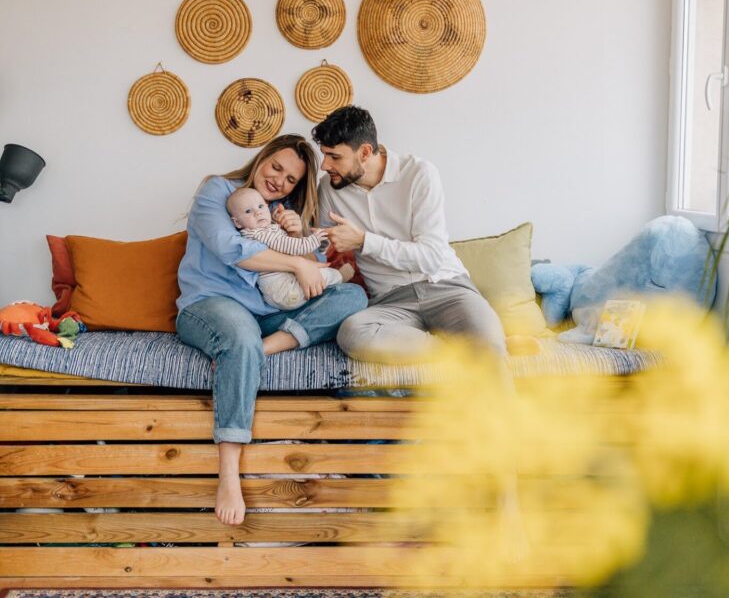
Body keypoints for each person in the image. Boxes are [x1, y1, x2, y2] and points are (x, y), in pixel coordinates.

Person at [176, 134, 368, 527]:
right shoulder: (219, 192)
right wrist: (297, 264)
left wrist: (299, 238)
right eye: (276, 167)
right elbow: (232, 250)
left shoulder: (279, 213)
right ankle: (228, 471)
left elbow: (314, 270)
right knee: (239, 335)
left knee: (352, 295)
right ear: (261, 159)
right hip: (210, 305)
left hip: (267, 315)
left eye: (291, 179)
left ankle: (262, 349)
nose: (280, 180)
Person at [314, 106, 507, 363]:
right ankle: (460, 350)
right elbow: (319, 245)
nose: (325, 165)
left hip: (447, 288)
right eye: (324, 154)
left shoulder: (418, 174)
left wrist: (364, 241)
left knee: (491, 349)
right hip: (390, 302)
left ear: (364, 153)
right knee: (352, 332)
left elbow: (430, 258)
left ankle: (483, 345)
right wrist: (299, 232)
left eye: (334, 156)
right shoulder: (330, 187)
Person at [225, 186, 351, 310]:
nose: (257, 212)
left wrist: (275, 220)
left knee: (314, 278)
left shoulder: (261, 230)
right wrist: (315, 239)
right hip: (285, 291)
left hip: (279, 290)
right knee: (323, 275)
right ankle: (339, 276)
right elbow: (290, 247)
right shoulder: (258, 234)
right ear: (237, 223)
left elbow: (275, 234)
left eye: (260, 206)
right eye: (248, 211)